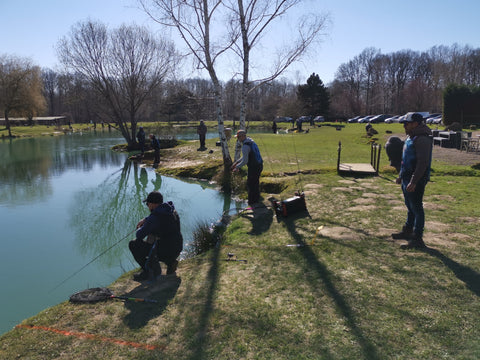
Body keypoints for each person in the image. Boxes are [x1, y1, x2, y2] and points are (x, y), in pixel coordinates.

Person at [392, 113, 432, 249]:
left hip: (417, 178)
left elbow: (422, 163)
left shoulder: (422, 139)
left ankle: (417, 238)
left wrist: (414, 181)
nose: (404, 126)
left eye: (406, 124)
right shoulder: (411, 137)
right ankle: (408, 231)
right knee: (410, 206)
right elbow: (405, 160)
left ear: (416, 123)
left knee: (416, 207)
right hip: (407, 177)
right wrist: (401, 175)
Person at [129, 191, 183, 281]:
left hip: (165, 250)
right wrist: (146, 219)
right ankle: (171, 262)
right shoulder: (172, 211)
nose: (147, 206)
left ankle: (148, 272)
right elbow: (158, 219)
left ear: (153, 204)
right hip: (177, 248)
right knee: (161, 240)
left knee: (133, 244)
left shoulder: (155, 218)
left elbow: (139, 235)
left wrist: (141, 227)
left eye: (148, 204)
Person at [231, 130, 263, 206]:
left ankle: (252, 203)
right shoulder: (251, 142)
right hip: (259, 165)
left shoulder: (245, 146)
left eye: (238, 137)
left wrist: (237, 167)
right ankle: (256, 200)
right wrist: (236, 162)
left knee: (250, 185)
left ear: (242, 136)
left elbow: (245, 161)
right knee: (255, 183)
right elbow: (245, 156)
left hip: (253, 167)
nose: (238, 139)